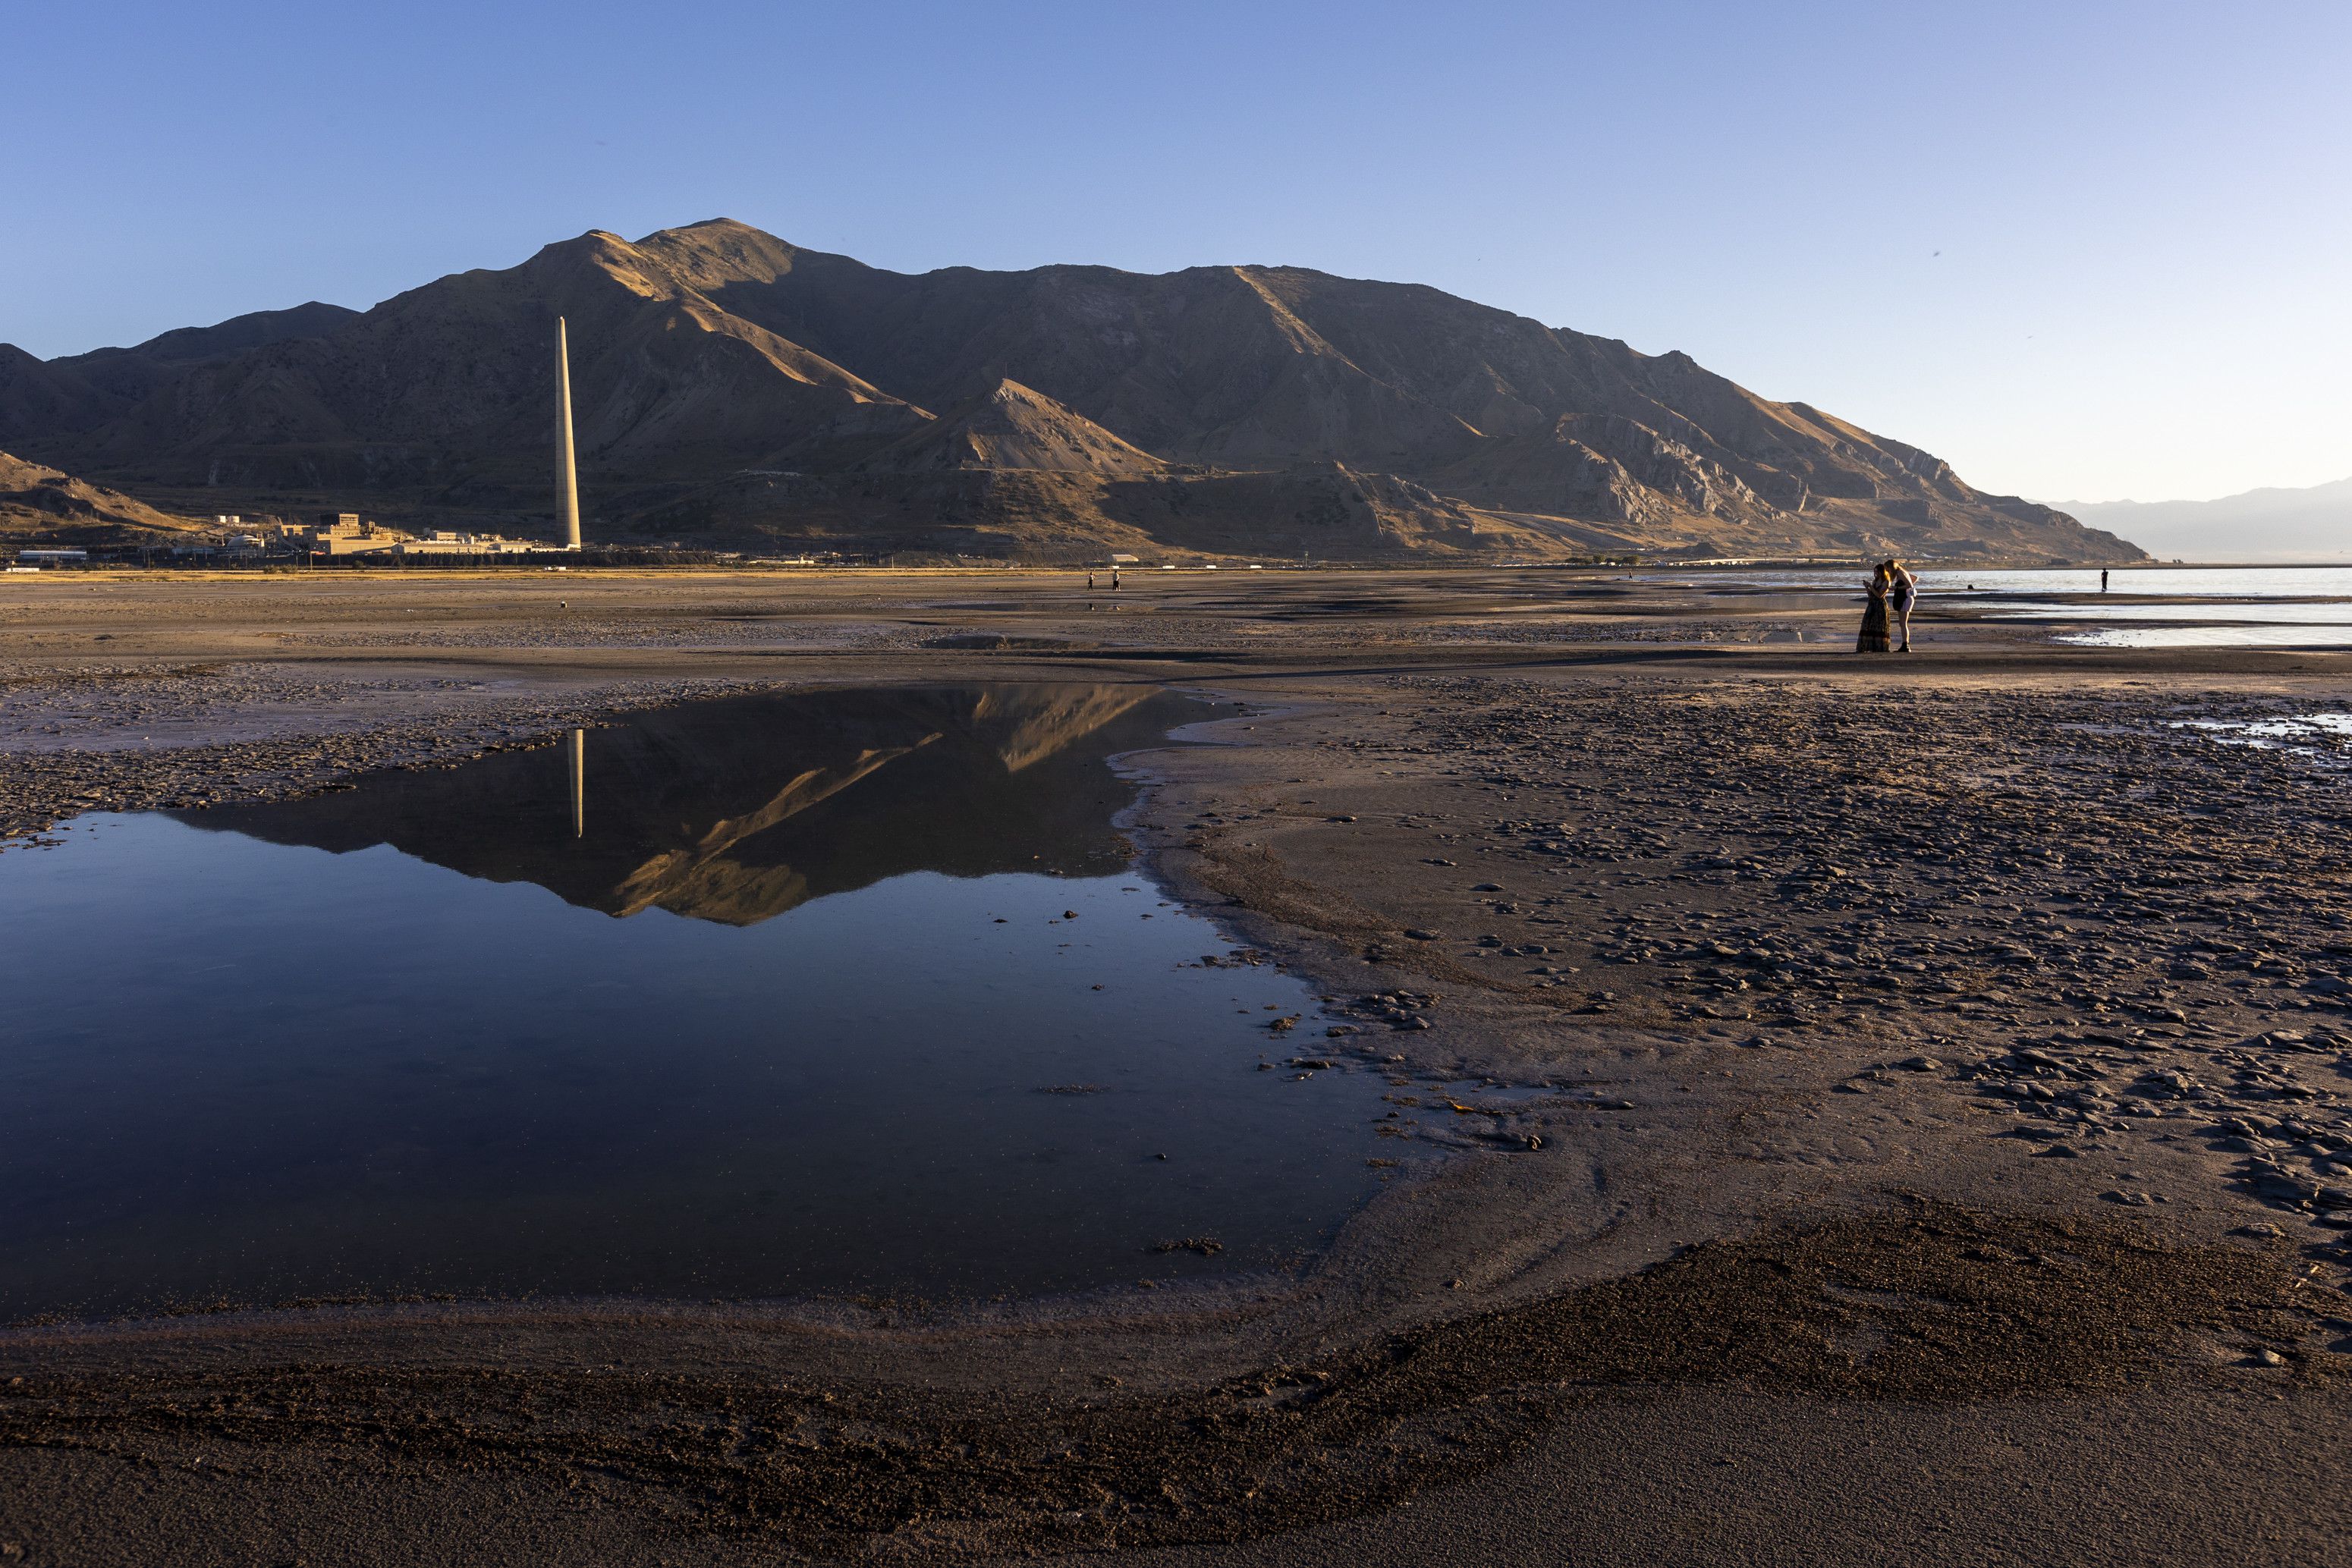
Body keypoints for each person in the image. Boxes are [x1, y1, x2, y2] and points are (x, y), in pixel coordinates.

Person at [1856, 561, 1893, 653]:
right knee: (1868, 625)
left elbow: (1879, 595)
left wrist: (1871, 587)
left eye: (1877, 572)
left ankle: (1880, 647)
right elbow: (1871, 595)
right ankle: (1866, 647)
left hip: (1880, 606)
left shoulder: (1886, 582)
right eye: (1874, 572)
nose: (1875, 574)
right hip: (1872, 605)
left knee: (1879, 627)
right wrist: (1867, 587)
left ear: (1882, 572)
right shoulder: (1875, 581)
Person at [1888, 558, 1920, 651]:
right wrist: (1904, 587)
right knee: (1902, 623)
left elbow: (1910, 585)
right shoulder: (1903, 572)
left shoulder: (1900, 573)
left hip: (1905, 599)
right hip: (1906, 598)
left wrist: (1897, 588)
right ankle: (1905, 644)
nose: (1888, 571)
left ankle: (1905, 645)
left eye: (1888, 569)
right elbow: (1915, 578)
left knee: (1903, 623)